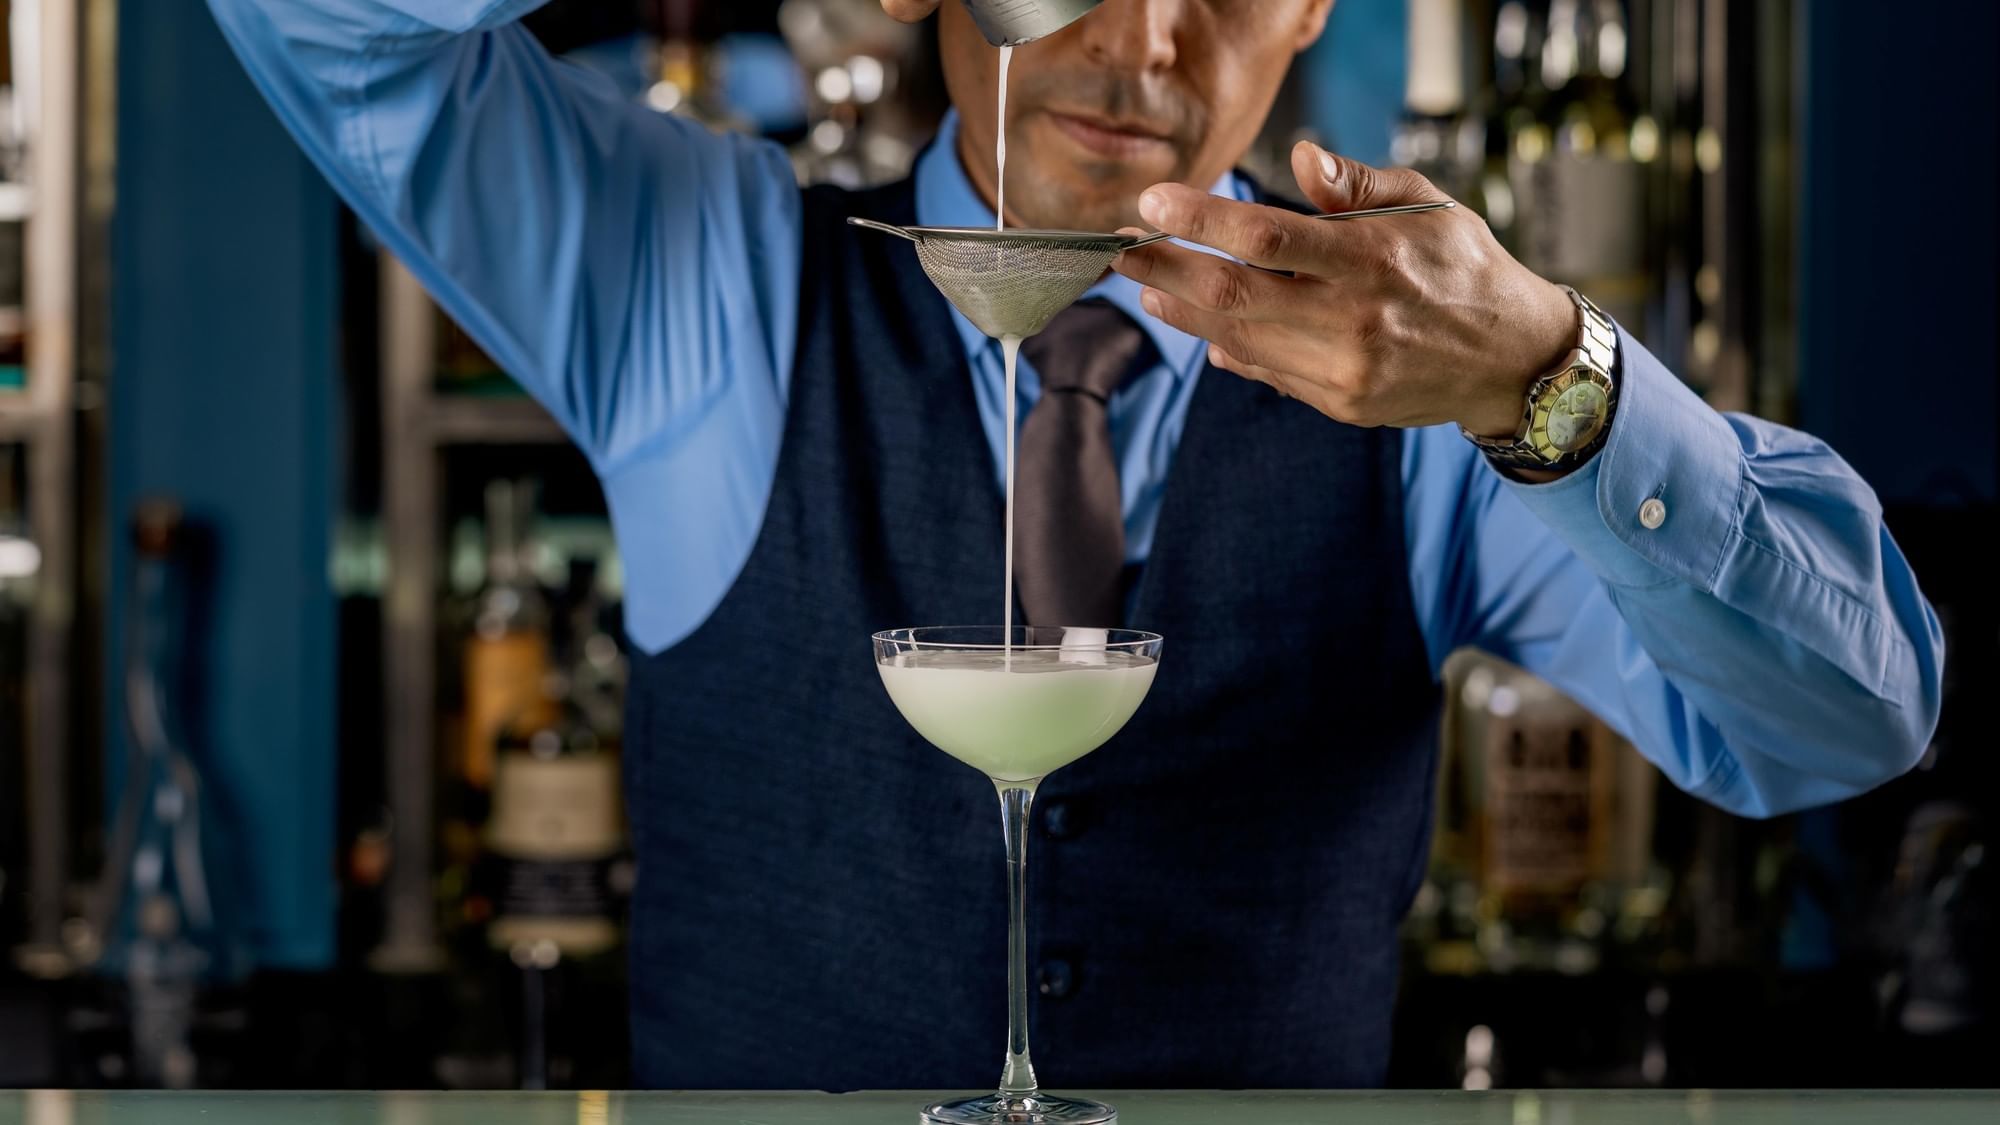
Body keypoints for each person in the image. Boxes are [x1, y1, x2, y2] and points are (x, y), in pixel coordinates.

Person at [208, 0, 1943, 1091]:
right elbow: (319, 27)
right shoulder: (698, 282)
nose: (1152, 42)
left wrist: (1552, 380)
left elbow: (1850, 720)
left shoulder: (1427, 397)